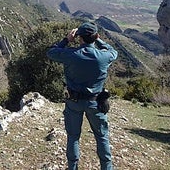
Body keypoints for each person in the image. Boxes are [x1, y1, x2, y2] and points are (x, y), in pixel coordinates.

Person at [46, 22, 118, 170]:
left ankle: (73, 167)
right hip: (96, 103)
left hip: (74, 102)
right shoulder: (104, 56)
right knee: (102, 136)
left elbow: (51, 52)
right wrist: (98, 39)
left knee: (73, 137)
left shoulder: (70, 55)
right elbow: (112, 51)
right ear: (96, 36)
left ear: (79, 37)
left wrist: (66, 40)